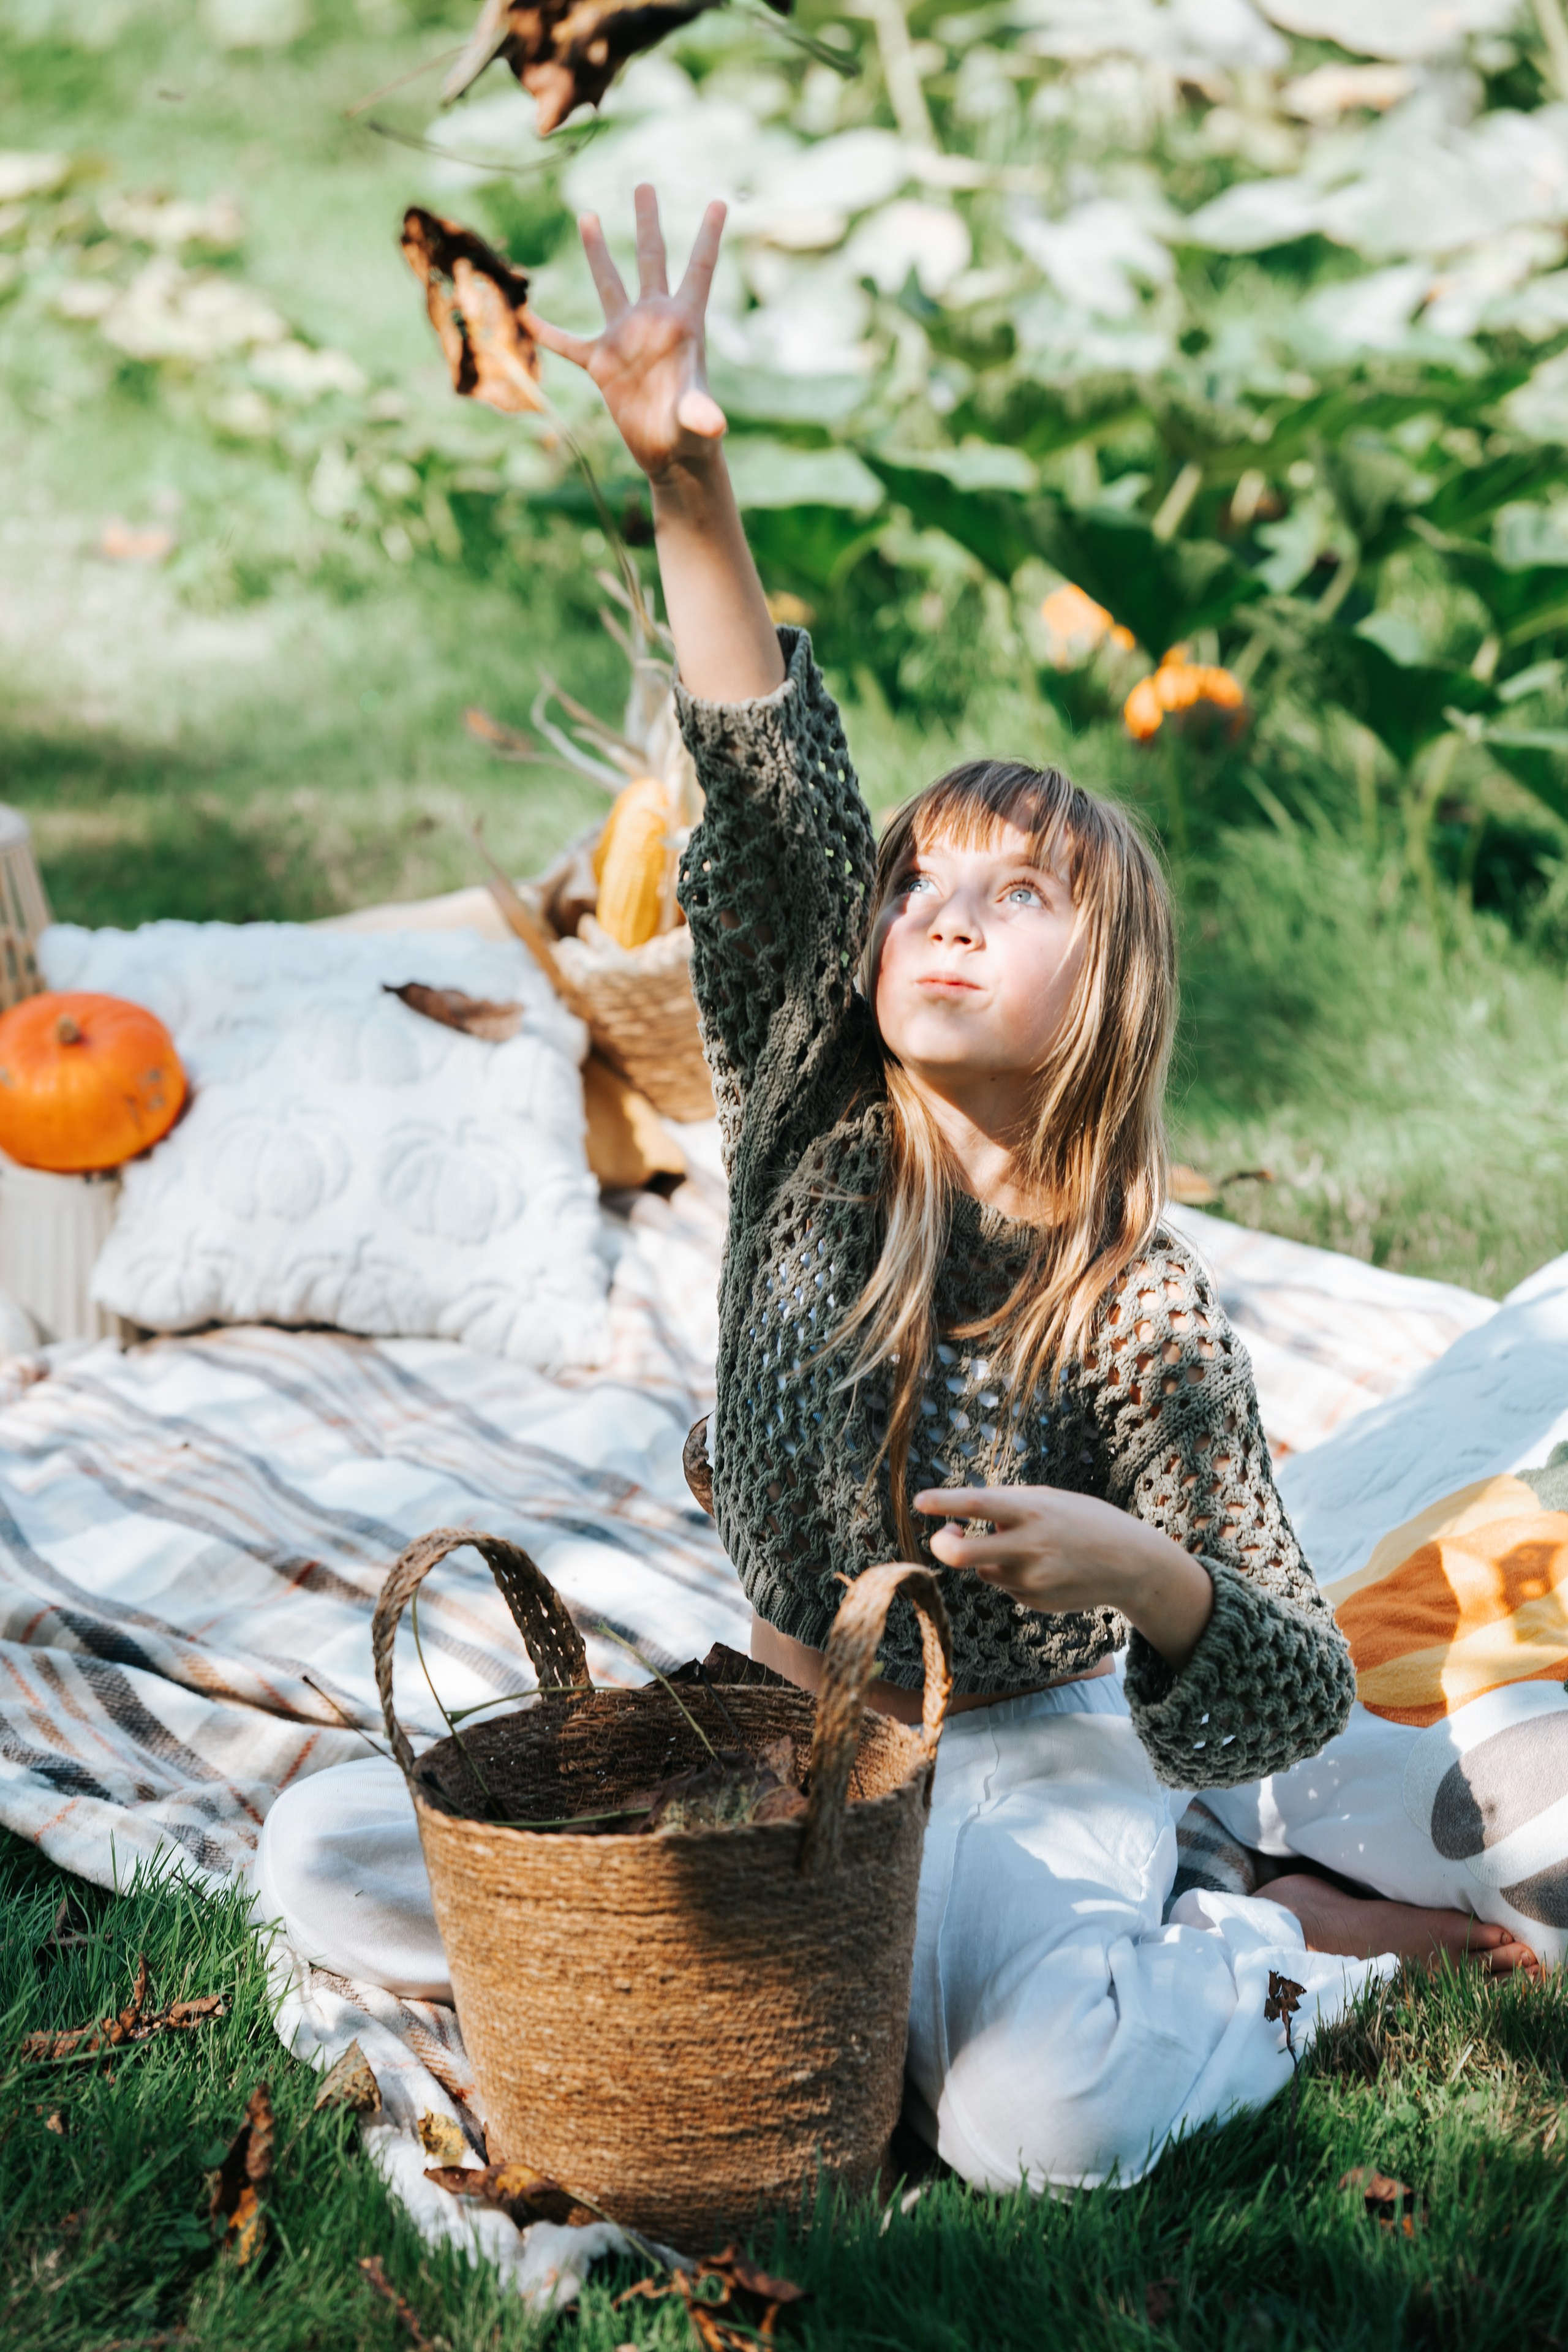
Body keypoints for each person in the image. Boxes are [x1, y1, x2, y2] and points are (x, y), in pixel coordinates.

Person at [257, 189, 1537, 2195]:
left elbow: (1279, 1664)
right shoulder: (808, 1129)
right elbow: (770, 811)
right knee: (326, 1850)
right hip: (775, 1736)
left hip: (1027, 1772)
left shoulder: (1138, 1305)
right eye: (918, 886)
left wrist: (1133, 1572)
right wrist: (690, 482)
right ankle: (784, 2003)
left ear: (1104, 993)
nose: (936, 914)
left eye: (1010, 896)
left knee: (1038, 2125)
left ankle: (1276, 1946)